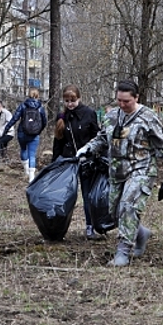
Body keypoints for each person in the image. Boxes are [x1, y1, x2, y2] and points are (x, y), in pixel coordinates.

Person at [76, 79, 163, 266]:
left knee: (128, 206)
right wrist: (87, 149)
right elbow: (103, 138)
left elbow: (162, 144)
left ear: (136, 98)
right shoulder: (112, 116)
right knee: (114, 213)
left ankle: (123, 252)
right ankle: (141, 233)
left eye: (126, 101)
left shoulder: (148, 117)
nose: (122, 104)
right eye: (119, 100)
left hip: (141, 170)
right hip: (117, 171)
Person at [52, 84, 100, 240]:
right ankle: (58, 228)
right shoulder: (62, 117)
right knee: (64, 196)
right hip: (68, 161)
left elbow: (97, 137)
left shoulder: (89, 114)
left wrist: (95, 155)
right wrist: (55, 162)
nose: (69, 104)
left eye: (72, 100)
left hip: (86, 161)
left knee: (87, 195)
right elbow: (57, 141)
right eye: (66, 101)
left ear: (79, 98)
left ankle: (90, 227)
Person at [3, 88, 47, 182]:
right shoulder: (40, 107)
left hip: (22, 133)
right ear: (37, 95)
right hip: (34, 134)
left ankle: (26, 170)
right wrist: (39, 131)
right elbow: (44, 122)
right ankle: (31, 177)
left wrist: (6, 129)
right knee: (32, 154)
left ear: (28, 95)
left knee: (23, 149)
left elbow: (15, 118)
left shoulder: (23, 106)